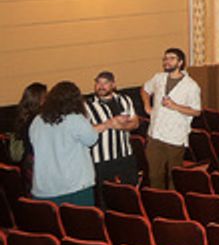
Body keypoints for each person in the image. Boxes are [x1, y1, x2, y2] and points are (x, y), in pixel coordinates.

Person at [29, 81, 120, 206]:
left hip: (43, 188)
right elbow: (91, 139)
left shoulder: (37, 121)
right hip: (73, 187)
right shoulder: (75, 119)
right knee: (81, 224)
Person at [141, 47, 202, 189]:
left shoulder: (191, 86)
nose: (167, 61)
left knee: (173, 176)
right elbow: (145, 89)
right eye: (165, 58)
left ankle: (173, 205)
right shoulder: (158, 78)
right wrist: (146, 105)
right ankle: (157, 203)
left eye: (171, 58)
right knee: (154, 175)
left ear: (180, 62)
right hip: (155, 134)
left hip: (175, 136)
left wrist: (175, 106)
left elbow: (196, 111)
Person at [84, 71, 140, 205]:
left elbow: (136, 123)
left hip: (124, 154)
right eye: (98, 82)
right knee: (104, 197)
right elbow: (86, 132)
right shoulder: (87, 105)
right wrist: (108, 124)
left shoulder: (124, 100)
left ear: (113, 85)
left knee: (129, 193)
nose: (101, 86)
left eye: (105, 83)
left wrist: (121, 126)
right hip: (101, 158)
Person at [9, 82, 46, 191]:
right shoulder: (38, 120)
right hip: (37, 162)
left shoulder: (22, 117)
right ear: (39, 99)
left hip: (26, 161)